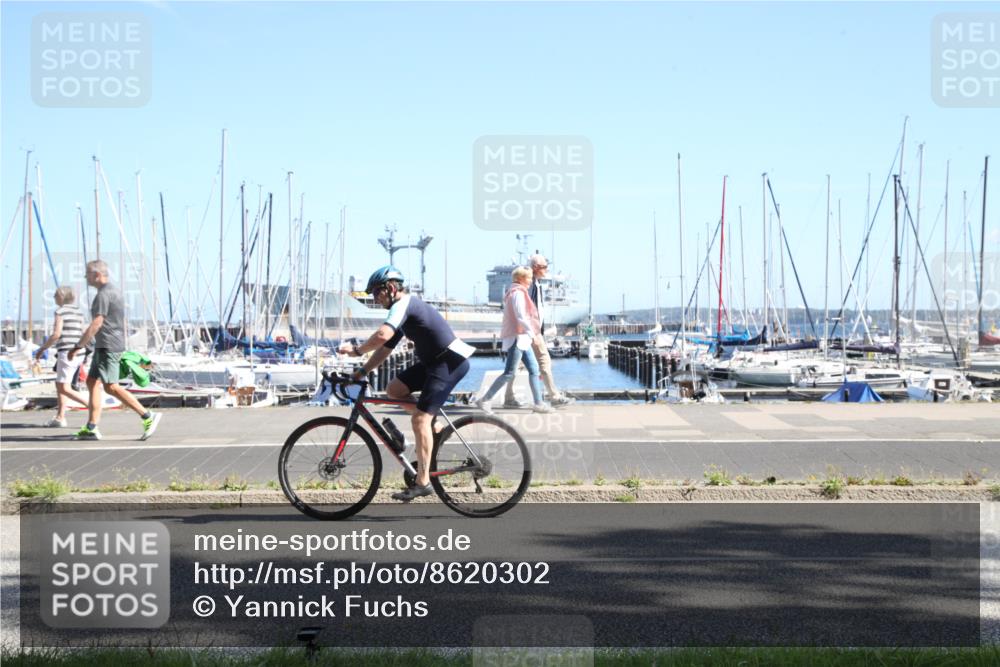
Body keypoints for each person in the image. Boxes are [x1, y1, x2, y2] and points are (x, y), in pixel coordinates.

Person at [338, 265, 474, 502]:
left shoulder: (404, 305)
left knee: (420, 418)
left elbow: (381, 335)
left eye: (376, 292)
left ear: (390, 288)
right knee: (394, 390)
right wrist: (361, 372)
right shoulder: (403, 312)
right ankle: (436, 427)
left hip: (448, 363)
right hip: (434, 363)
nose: (374, 298)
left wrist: (356, 350)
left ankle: (423, 482)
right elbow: (384, 349)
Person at [68, 260, 162, 441]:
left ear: (97, 275)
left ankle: (147, 415)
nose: (85, 277)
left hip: (108, 346)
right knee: (91, 382)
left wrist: (78, 346)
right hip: (107, 344)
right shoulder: (115, 291)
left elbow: (97, 323)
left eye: (87, 274)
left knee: (111, 387)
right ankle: (91, 427)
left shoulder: (103, 295)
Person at [477, 267, 552, 415]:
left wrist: (529, 335)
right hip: (518, 338)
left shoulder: (517, 292)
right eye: (529, 278)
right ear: (521, 279)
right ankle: (485, 400)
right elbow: (521, 317)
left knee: (534, 369)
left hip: (522, 338)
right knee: (509, 373)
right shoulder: (517, 293)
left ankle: (538, 403)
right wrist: (533, 335)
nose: (531, 281)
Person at [503, 254, 575, 407]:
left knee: (516, 366)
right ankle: (553, 396)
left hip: (529, 332)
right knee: (544, 361)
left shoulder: (535, 285)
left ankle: (509, 398)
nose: (546, 270)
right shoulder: (529, 287)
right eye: (544, 267)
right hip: (530, 332)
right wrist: (533, 332)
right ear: (536, 268)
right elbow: (525, 312)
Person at [33, 286, 89, 427]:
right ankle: (60, 417)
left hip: (67, 352)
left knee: (64, 388)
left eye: (55, 295)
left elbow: (56, 334)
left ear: (61, 297)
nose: (54, 298)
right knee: (60, 385)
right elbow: (84, 333)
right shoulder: (79, 312)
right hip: (78, 352)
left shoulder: (60, 312)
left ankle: (93, 406)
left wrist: (42, 349)